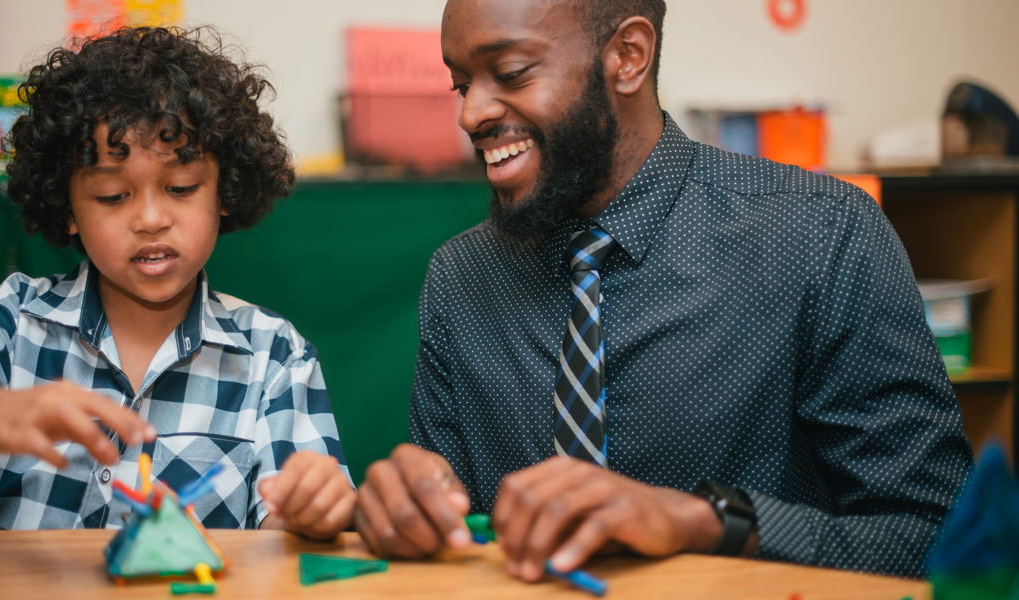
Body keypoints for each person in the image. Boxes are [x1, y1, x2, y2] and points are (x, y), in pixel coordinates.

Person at [353, 0, 973, 579]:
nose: (470, 113)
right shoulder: (461, 278)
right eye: (461, 84)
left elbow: (942, 538)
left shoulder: (817, 234)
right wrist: (406, 514)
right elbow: (449, 536)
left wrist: (703, 523)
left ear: (628, 56)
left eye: (511, 73)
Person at [0, 27, 355, 539]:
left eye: (180, 187)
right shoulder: (11, 320)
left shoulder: (274, 356)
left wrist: (314, 508)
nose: (151, 218)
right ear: (68, 208)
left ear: (225, 190)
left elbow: (299, 521)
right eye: (112, 196)